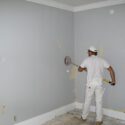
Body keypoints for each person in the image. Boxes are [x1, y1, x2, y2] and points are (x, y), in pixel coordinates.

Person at [78, 46, 116, 125]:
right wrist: (113, 80)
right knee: (99, 102)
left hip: (90, 85)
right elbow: (111, 69)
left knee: (87, 101)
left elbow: (79, 70)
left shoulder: (87, 60)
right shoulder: (102, 60)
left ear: (90, 52)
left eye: (88, 51)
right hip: (99, 84)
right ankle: (99, 120)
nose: (88, 53)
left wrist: (83, 68)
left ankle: (84, 117)